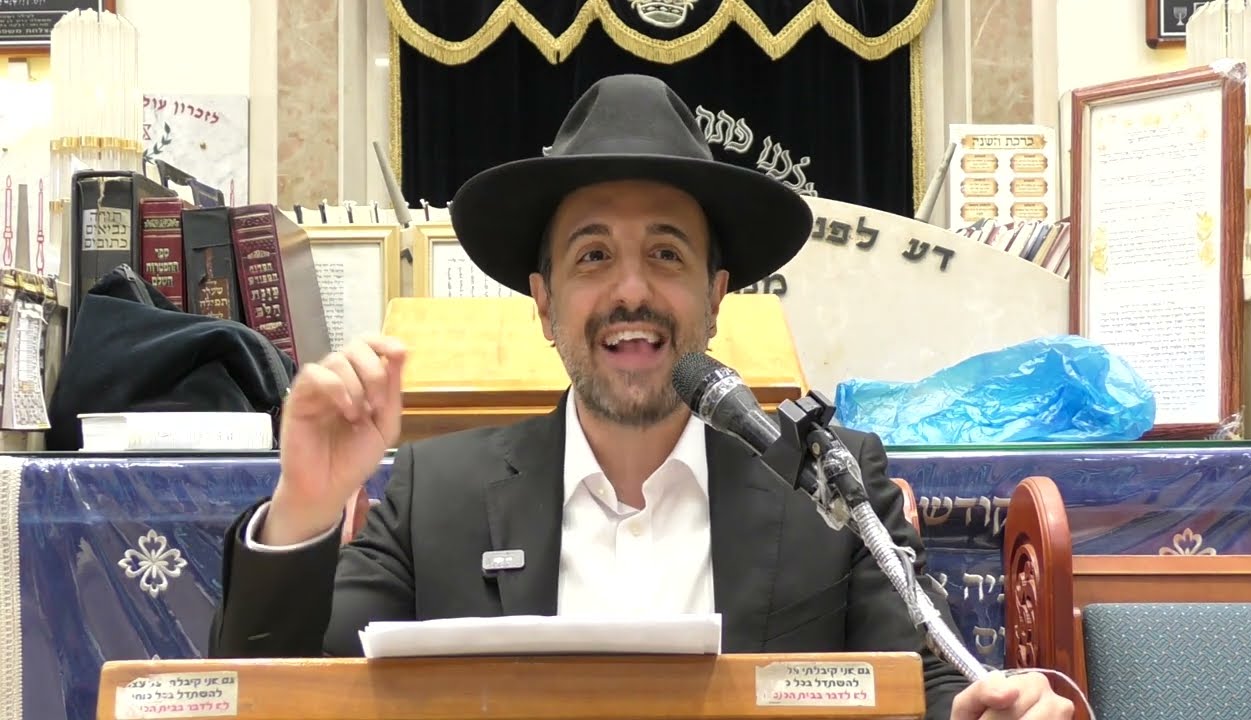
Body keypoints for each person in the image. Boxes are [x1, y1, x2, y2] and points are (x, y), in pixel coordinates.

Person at [209, 74, 1073, 720]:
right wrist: (305, 505)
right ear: (544, 304)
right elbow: (284, 696)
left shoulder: (829, 484)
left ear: (715, 296)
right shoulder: (437, 495)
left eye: (666, 254)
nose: (631, 291)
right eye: (593, 256)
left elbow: (927, 687)